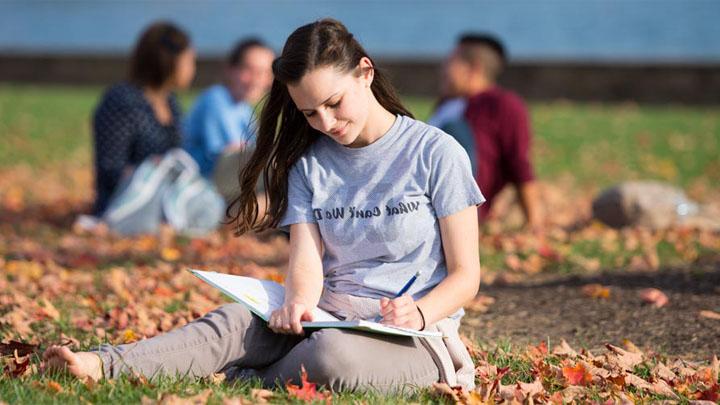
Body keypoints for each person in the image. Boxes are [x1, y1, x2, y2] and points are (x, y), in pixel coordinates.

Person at [44, 19, 483, 393]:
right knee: (233, 320)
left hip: (415, 335)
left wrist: (420, 311)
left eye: (333, 103)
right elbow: (306, 260)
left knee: (331, 355)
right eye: (310, 113)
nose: (326, 124)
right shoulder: (310, 166)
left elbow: (467, 275)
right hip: (326, 317)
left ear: (364, 73)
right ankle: (99, 366)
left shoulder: (436, 153)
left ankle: (241, 378)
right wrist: (297, 304)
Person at [429, 33, 542, 229]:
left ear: (474, 68)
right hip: (420, 193)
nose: (443, 69)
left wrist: (533, 222)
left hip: (455, 209)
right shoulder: (446, 103)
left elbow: (519, 164)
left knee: (453, 133)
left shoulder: (502, 104)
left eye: (450, 62)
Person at [91, 21, 196, 216]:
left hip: (166, 198)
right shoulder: (123, 102)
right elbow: (111, 168)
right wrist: (148, 173)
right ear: (170, 61)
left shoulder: (171, 101)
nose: (192, 69)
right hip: (125, 204)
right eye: (189, 61)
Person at [183, 38, 275, 185]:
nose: (257, 79)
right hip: (200, 185)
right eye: (249, 70)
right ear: (230, 69)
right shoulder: (216, 99)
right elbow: (230, 157)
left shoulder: (244, 109)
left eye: (265, 72)